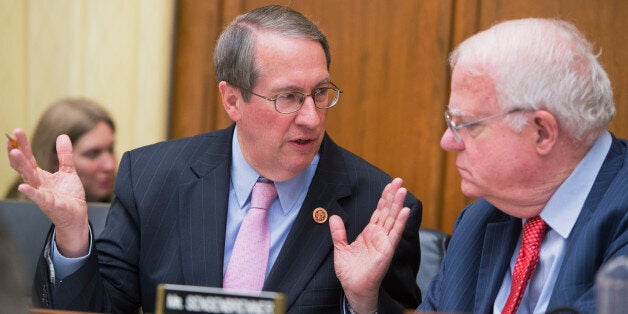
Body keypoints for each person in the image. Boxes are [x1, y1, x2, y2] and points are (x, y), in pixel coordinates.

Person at [6, 5, 422, 313]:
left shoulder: (378, 207)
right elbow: (102, 306)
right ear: (231, 99)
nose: (311, 118)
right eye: (288, 98)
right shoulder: (152, 180)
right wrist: (74, 234)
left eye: (320, 93)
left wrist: (363, 300)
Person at [353, 18, 628, 313]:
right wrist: (364, 300)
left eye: (465, 124)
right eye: (451, 122)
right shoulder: (479, 221)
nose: (447, 141)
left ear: (542, 132)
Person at [5, 97, 117, 203]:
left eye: (111, 149)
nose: (110, 165)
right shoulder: (10, 217)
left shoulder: (128, 207)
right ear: (55, 160)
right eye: (93, 154)